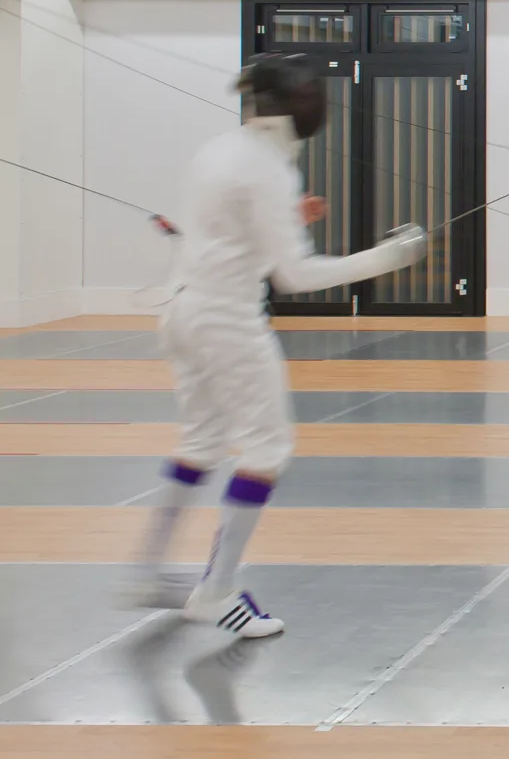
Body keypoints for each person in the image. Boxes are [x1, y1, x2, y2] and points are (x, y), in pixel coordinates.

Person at [124, 53, 429, 636]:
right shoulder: (267, 166)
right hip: (227, 321)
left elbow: (227, 231)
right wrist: (389, 257)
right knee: (266, 452)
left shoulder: (221, 148)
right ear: (296, 104)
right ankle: (214, 592)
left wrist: (287, 219)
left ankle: (145, 571)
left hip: (182, 311)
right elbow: (296, 276)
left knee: (202, 442)